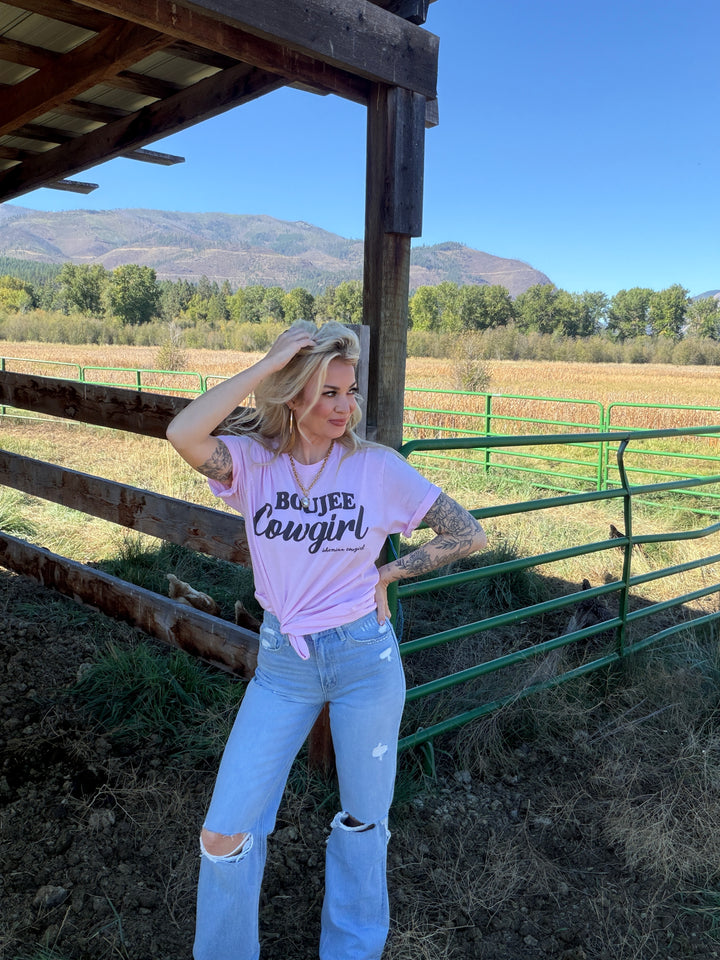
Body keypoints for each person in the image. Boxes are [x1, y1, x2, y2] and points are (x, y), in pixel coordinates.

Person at [166, 320, 487, 960]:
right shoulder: (253, 463)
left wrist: (389, 573)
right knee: (224, 832)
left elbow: (467, 533)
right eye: (328, 393)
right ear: (293, 398)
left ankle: (352, 949)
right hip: (283, 667)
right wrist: (269, 363)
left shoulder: (376, 467)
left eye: (350, 391)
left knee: (365, 821)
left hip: (365, 659)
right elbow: (183, 433)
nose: (344, 407)